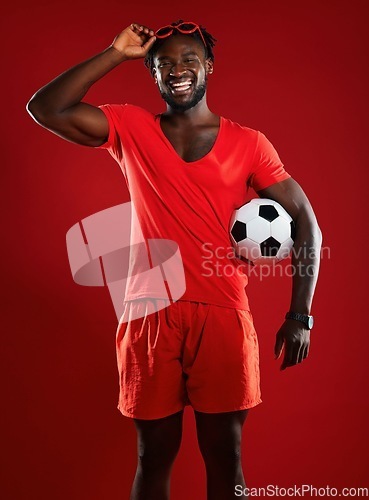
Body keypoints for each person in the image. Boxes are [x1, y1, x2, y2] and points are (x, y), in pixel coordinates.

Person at [26, 20, 322, 500]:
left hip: (222, 314)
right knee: (152, 455)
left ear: (208, 66)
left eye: (189, 60)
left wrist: (300, 314)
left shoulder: (249, 143)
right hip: (149, 315)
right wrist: (113, 52)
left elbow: (306, 221)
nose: (178, 70)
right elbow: (44, 108)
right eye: (164, 63)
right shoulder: (129, 126)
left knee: (226, 456)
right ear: (152, 73)